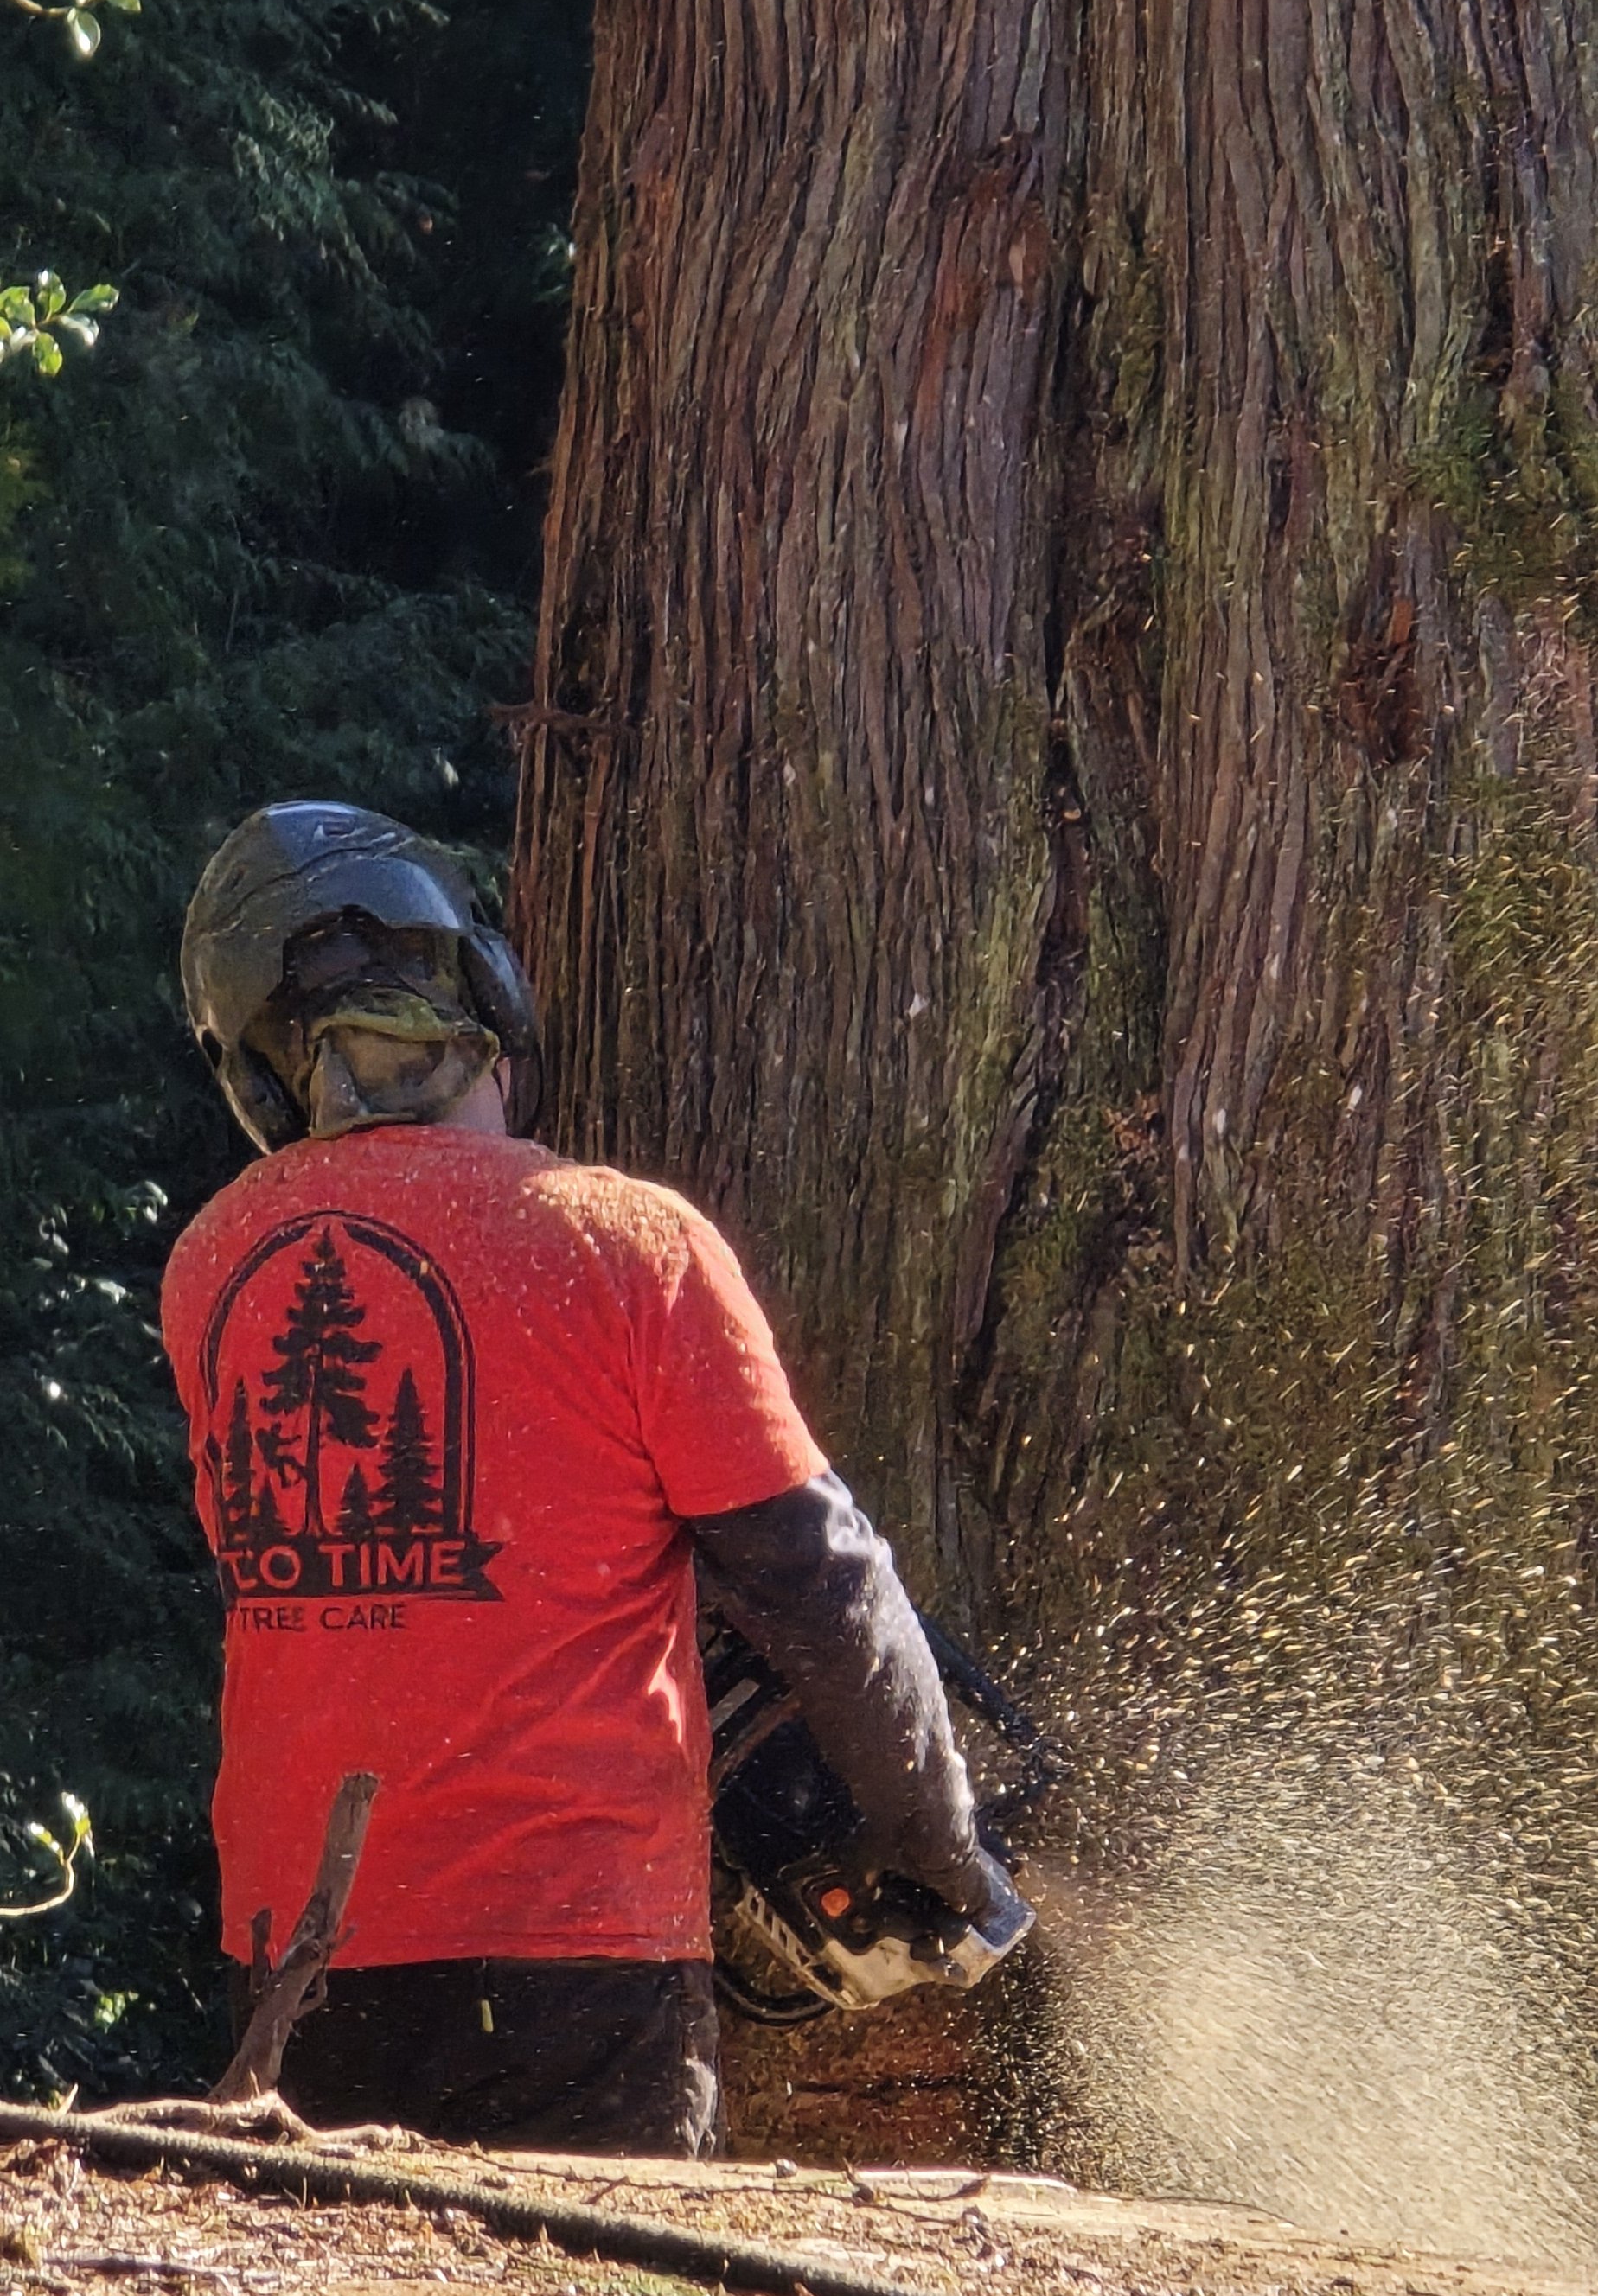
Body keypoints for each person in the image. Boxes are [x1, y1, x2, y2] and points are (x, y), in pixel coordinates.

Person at [162, 801, 1033, 2156]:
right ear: (485, 996)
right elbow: (825, 1590)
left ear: (260, 1083)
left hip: (299, 1955)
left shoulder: (209, 1271)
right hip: (574, 1958)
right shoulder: (632, 1245)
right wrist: (935, 1838)